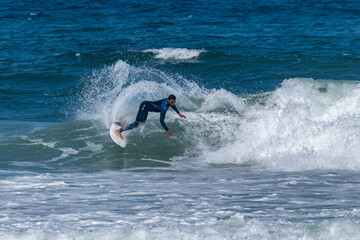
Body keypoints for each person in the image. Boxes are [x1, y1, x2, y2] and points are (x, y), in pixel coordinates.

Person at [114, 94, 186, 139]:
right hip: (145, 106)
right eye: (172, 102)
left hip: (146, 106)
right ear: (169, 100)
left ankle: (123, 122)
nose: (173, 104)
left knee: (141, 122)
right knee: (137, 124)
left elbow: (173, 106)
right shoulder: (164, 108)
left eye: (174, 102)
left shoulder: (166, 100)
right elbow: (161, 120)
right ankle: (119, 131)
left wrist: (178, 113)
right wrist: (168, 130)